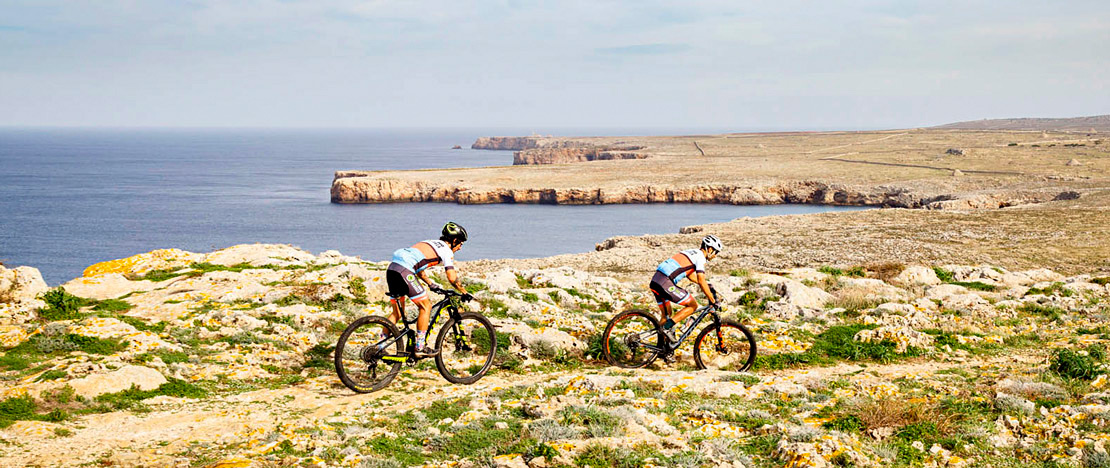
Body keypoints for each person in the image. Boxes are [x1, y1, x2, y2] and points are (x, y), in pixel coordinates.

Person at [384, 222, 473, 356]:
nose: (460, 248)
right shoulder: (447, 251)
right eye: (460, 244)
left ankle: (379, 346)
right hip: (405, 271)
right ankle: (420, 348)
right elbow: (451, 277)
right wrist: (464, 292)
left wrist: (431, 284)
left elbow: (418, 268)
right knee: (426, 307)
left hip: (392, 269)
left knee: (397, 314)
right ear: (454, 241)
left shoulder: (429, 243)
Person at [650, 235, 722, 344]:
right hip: (665, 282)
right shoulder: (701, 257)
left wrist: (707, 285)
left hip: (656, 281)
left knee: (666, 315)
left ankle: (660, 348)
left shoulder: (691, 252)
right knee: (692, 305)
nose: (715, 256)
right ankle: (666, 328)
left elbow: (690, 275)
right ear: (710, 249)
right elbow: (701, 279)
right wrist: (712, 300)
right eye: (716, 252)